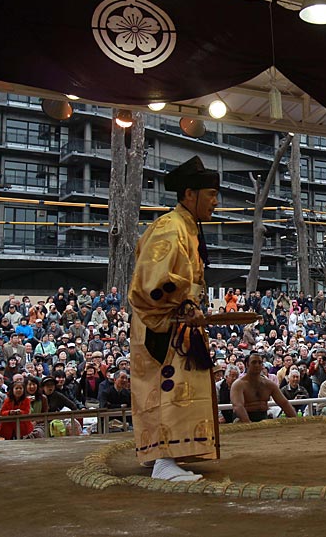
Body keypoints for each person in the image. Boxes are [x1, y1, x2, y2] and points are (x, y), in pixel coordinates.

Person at [129, 156, 222, 482]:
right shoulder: (171, 227)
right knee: (166, 388)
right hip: (163, 323)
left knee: (179, 389)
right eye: (211, 194)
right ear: (189, 194)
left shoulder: (187, 227)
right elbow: (150, 282)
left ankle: (162, 454)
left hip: (177, 323)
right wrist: (184, 302)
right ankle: (163, 460)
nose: (215, 202)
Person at [230, 354, 295, 422]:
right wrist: (249, 423)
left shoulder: (268, 384)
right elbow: (238, 406)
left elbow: (284, 403)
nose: (257, 365)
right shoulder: (238, 384)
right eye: (254, 362)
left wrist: (296, 420)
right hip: (242, 419)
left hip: (263, 418)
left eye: (260, 362)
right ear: (247, 365)